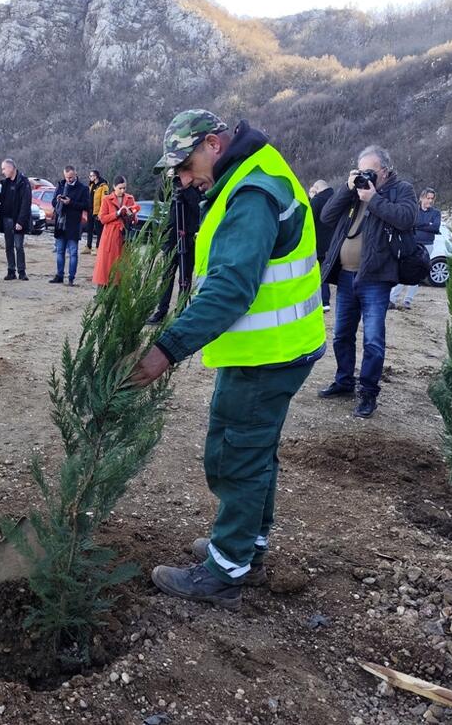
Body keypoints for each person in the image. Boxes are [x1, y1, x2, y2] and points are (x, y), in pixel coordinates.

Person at [130, 110, 326, 610]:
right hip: (281, 347)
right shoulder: (254, 172)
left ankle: (224, 572)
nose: (182, 179)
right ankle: (246, 550)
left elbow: (231, 288)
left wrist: (164, 351)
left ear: (213, 144)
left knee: (236, 455)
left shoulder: (251, 193)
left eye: (185, 165)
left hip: (269, 354)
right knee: (255, 451)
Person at [317, 145, 418, 418]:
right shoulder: (354, 192)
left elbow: (407, 218)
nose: (365, 176)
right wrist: (347, 188)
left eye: (370, 171)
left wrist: (373, 198)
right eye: (361, 171)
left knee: (373, 339)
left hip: (376, 277)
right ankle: (344, 381)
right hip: (346, 275)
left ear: (384, 170)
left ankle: (368, 393)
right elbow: (326, 216)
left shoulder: (401, 190)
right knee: (342, 335)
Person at [147, 183, 201, 323]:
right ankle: (161, 311)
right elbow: (162, 196)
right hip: (172, 238)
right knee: (166, 277)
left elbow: (197, 207)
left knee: (185, 278)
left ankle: (181, 312)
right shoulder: (174, 183)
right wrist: (167, 180)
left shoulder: (197, 184)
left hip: (188, 238)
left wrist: (187, 188)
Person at [389, 187, 440, 309]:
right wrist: (427, 224)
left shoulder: (436, 213)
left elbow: (435, 227)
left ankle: (408, 300)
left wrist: (420, 226)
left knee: (418, 272)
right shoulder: (414, 210)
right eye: (428, 198)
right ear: (422, 198)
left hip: (427, 245)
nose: (430, 201)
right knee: (404, 270)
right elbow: (412, 223)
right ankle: (392, 299)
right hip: (412, 244)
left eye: (432, 199)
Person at [92, 176, 140, 287]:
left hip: (124, 237)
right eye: (120, 188)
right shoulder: (106, 199)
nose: (122, 191)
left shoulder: (130, 199)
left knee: (122, 264)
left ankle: (119, 288)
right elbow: (102, 219)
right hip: (110, 237)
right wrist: (117, 213)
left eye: (124, 188)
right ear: (114, 187)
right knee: (106, 265)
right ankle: (103, 289)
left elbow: (135, 220)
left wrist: (131, 215)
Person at [49, 165, 90, 286]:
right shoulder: (61, 185)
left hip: (73, 224)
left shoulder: (83, 189)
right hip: (60, 223)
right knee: (60, 251)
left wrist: (70, 202)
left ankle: (71, 278)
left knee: (73, 252)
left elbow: (87, 206)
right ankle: (59, 275)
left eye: (71, 177)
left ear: (75, 174)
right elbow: (53, 202)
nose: (68, 180)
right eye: (66, 177)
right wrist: (57, 200)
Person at [0, 158, 32, 281]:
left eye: (4, 169)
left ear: (11, 168)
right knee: (8, 247)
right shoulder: (5, 183)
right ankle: (11, 271)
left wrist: (20, 221)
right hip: (6, 219)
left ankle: (22, 272)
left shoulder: (23, 182)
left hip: (17, 220)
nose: (2, 172)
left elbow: (26, 203)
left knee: (18, 246)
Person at [308, 180, 336, 311]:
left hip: (318, 243)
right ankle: (325, 301)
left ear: (317, 188)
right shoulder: (336, 198)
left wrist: (311, 199)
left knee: (318, 272)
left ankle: (322, 301)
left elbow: (308, 220)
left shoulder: (317, 201)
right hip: (334, 242)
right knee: (326, 271)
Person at [85, 170, 109, 254]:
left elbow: (104, 200)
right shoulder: (91, 185)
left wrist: (101, 213)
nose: (90, 177)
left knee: (99, 231)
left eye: (91, 176)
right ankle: (88, 246)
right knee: (89, 229)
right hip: (90, 210)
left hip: (98, 212)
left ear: (95, 176)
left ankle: (98, 247)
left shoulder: (103, 186)